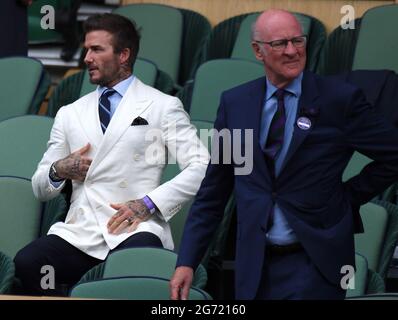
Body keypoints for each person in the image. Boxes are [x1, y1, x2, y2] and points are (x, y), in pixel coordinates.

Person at [170, 9, 398, 300]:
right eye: (280, 44)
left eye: (298, 41)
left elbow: (394, 154)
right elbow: (215, 190)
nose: (292, 51)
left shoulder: (338, 99)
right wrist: (187, 260)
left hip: (316, 262)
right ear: (258, 50)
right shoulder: (235, 103)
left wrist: (346, 196)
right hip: (254, 264)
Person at [14, 13, 209, 296]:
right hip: (81, 233)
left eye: (96, 49)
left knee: (132, 268)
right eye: (86, 49)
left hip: (136, 228)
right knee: (29, 263)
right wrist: (59, 169)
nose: (86, 58)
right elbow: (40, 188)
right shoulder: (70, 113)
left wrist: (148, 204)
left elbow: (202, 164)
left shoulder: (163, 106)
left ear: (124, 55)